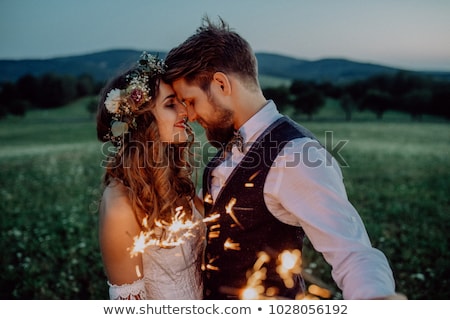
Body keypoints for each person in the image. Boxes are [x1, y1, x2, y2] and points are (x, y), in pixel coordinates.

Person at [163, 17, 406, 300]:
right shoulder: (227, 143)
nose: (190, 116)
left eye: (191, 101)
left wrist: (375, 302)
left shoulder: (297, 154)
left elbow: (352, 251)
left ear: (220, 84)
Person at [96, 52, 205, 299]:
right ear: (142, 121)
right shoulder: (120, 206)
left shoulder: (178, 183)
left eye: (180, 101)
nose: (184, 112)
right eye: (170, 104)